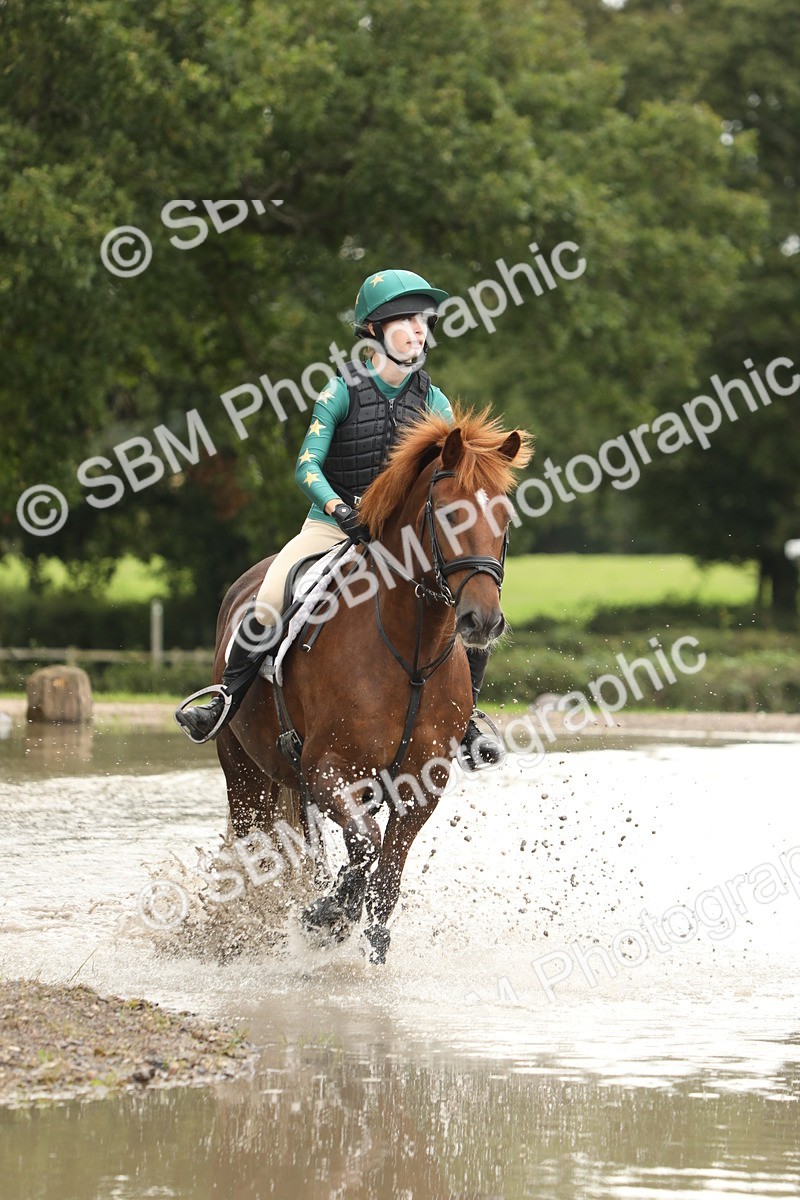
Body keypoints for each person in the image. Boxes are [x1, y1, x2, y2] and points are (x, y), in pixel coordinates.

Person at [175, 269, 503, 770]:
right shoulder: (340, 392)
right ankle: (226, 699)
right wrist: (339, 509)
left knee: (467, 599)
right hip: (332, 523)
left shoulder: (433, 401)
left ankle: (469, 716)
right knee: (270, 594)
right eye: (407, 320)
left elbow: (451, 479)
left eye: (423, 321)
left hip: (401, 537)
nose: (420, 330)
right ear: (373, 329)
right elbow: (306, 466)